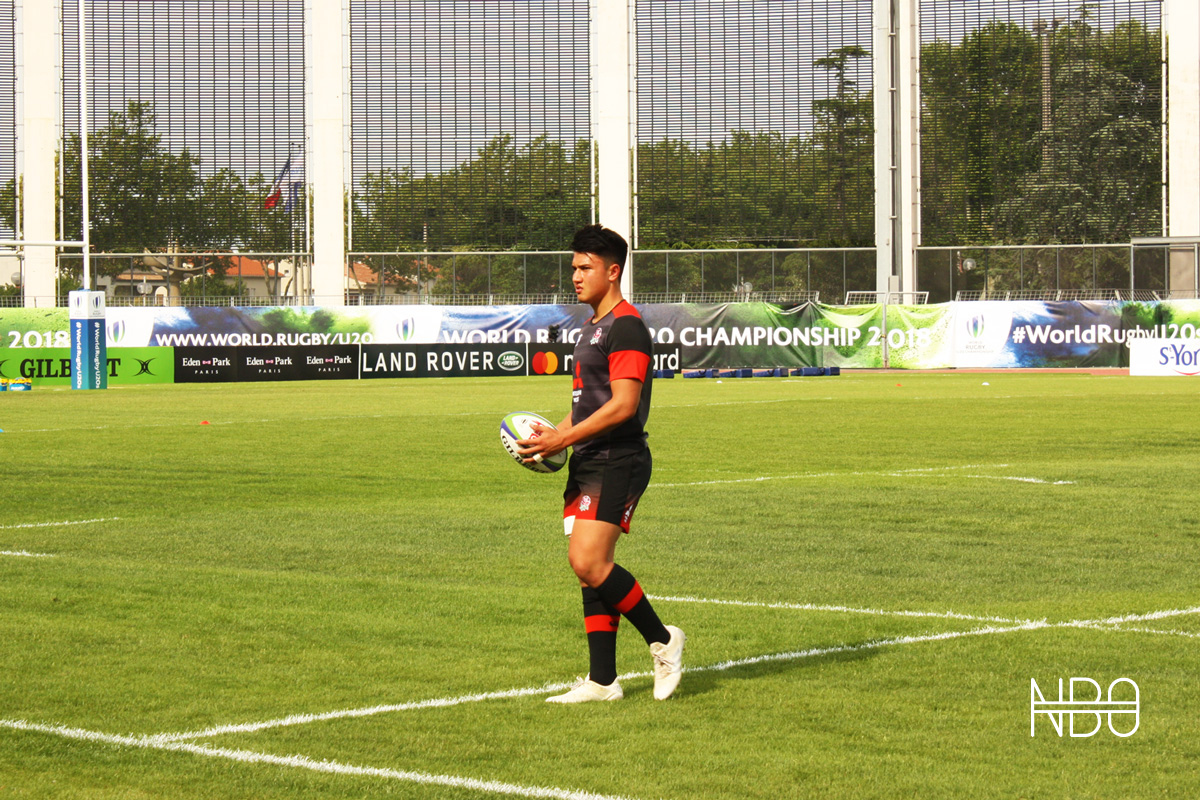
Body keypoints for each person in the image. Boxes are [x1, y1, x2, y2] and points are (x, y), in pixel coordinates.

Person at [517, 223, 685, 703]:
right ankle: (603, 680)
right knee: (590, 568)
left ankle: (664, 640)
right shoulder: (591, 328)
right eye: (573, 266)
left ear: (613, 272)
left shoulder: (626, 325)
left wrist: (563, 438)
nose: (575, 275)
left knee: (588, 560)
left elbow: (623, 405)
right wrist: (558, 434)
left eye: (585, 267)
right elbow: (591, 402)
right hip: (589, 458)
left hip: (618, 457)